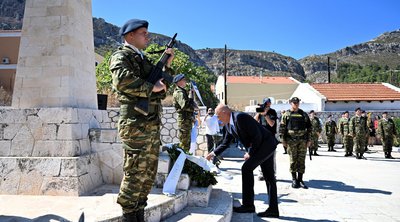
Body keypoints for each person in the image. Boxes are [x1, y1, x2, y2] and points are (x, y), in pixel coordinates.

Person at [109, 18, 175, 222]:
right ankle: (129, 216)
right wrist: (150, 87)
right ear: (130, 36)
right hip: (136, 125)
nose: (148, 37)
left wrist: (167, 67)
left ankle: (139, 214)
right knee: (135, 172)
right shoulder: (122, 56)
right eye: (143, 33)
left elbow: (159, 91)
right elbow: (122, 81)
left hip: (151, 125)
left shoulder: (143, 59)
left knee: (147, 174)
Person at [206, 104, 279, 218]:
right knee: (269, 176)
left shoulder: (240, 117)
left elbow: (257, 136)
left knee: (246, 168)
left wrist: (250, 152)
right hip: (264, 145)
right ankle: (273, 210)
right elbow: (225, 143)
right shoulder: (228, 125)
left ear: (225, 113)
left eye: (218, 116)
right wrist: (213, 153)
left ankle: (248, 205)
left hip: (266, 144)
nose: (218, 119)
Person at [279, 97, 312, 189]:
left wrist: (309, 140)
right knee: (293, 160)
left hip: (302, 140)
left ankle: (300, 179)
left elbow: (309, 128)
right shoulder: (287, 114)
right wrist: (283, 140)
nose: (296, 104)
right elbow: (282, 128)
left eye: (297, 103)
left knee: (301, 160)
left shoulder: (303, 114)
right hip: (291, 141)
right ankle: (294, 179)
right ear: (291, 103)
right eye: (294, 103)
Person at [254, 98, 278, 181]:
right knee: (261, 156)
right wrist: (259, 113)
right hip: (261, 138)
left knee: (272, 157)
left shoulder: (272, 112)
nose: (267, 105)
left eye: (268, 103)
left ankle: (273, 174)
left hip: (270, 137)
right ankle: (261, 173)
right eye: (266, 104)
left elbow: (272, 124)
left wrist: (265, 114)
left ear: (270, 104)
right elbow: (254, 121)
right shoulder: (261, 112)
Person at [173, 74, 197, 151]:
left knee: (186, 143)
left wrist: (191, 95)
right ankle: (183, 161)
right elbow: (185, 106)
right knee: (184, 144)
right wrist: (193, 108)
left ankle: (185, 159)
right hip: (184, 121)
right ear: (179, 82)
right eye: (184, 80)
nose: (185, 81)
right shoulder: (180, 93)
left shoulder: (182, 92)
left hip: (186, 120)